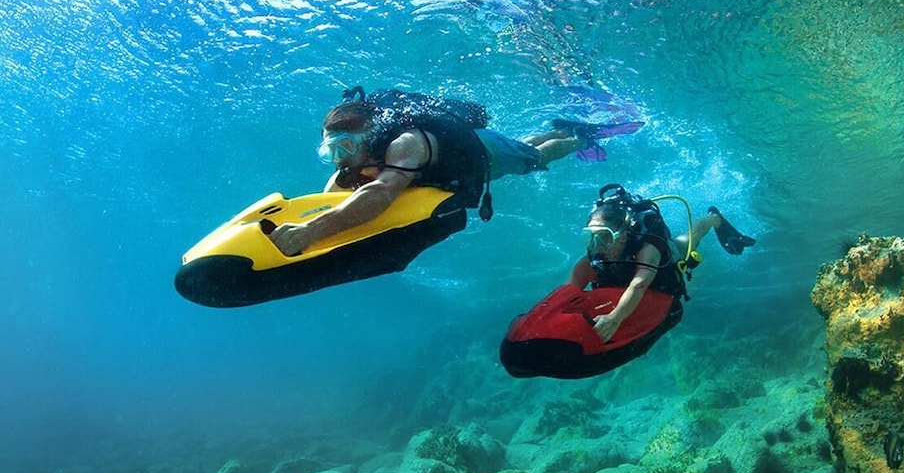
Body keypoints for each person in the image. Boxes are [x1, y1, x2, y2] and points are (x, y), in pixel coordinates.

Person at [269, 87, 642, 256]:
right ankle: (558, 128)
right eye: (329, 150)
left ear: (369, 137)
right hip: (476, 146)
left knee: (533, 160)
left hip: (486, 152)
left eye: (345, 147)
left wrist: (311, 231)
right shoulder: (362, 155)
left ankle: (577, 136)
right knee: (523, 146)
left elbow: (380, 193)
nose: (339, 158)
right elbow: (339, 184)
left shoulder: (403, 145)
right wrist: (313, 214)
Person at [571, 184, 756, 342]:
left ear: (623, 235)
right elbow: (566, 291)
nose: (597, 245)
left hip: (666, 258)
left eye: (604, 237)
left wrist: (614, 318)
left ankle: (713, 218)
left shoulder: (648, 250)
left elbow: (639, 284)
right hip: (630, 273)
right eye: (590, 237)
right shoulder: (593, 256)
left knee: (691, 238)